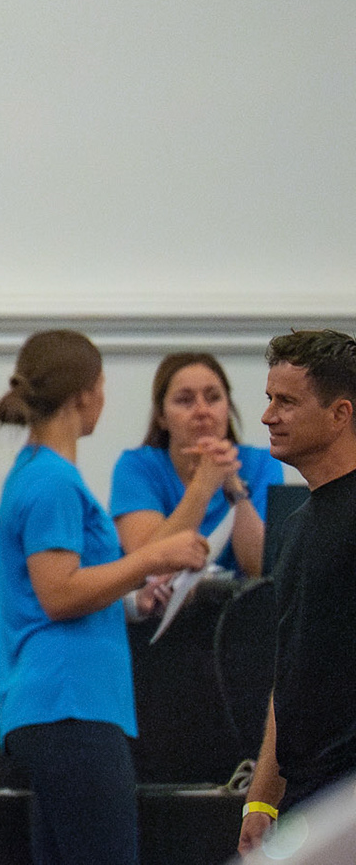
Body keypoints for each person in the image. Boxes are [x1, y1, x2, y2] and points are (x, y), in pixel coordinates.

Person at [0, 330, 207, 865]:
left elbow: (65, 589)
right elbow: (58, 594)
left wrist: (130, 599)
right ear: (85, 394)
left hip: (60, 705)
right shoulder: (53, 482)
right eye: (103, 386)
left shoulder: (39, 473)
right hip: (71, 705)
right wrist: (153, 557)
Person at [237, 330, 356, 855]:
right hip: (309, 795)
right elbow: (291, 674)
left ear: (339, 414)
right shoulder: (296, 526)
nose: (268, 416)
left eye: (286, 402)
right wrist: (263, 798)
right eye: (269, 399)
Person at [110, 352, 281, 577]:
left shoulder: (261, 462)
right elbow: (147, 568)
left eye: (213, 398)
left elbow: (263, 568)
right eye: (185, 400)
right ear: (161, 416)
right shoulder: (137, 466)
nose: (202, 411)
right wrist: (203, 485)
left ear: (228, 407)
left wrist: (233, 485)